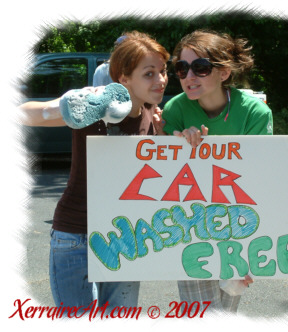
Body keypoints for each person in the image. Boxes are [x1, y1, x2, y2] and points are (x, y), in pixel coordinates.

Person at [20, 31, 169, 311]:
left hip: (125, 238)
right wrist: (67, 104)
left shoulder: (153, 113)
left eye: (162, 71)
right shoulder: (94, 107)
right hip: (76, 235)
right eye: (149, 73)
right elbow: (25, 112)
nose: (160, 80)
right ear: (124, 78)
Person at [161, 29, 273, 313]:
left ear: (223, 73)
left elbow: (262, 178)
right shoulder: (174, 109)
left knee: (227, 311)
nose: (189, 77)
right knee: (201, 314)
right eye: (181, 68)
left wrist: (247, 247)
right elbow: (162, 173)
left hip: (237, 226)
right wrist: (178, 144)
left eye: (200, 68)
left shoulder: (255, 113)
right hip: (190, 225)